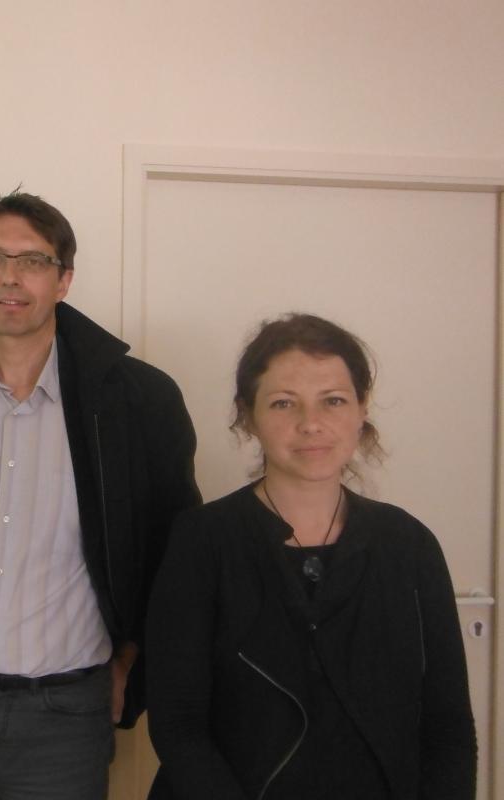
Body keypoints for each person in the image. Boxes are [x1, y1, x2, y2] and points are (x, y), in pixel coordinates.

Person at [0, 190, 200, 798]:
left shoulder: (136, 401)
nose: (10, 277)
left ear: (64, 280)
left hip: (66, 716)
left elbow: (176, 559)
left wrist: (134, 664)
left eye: (34, 261)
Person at [144, 312, 477, 799]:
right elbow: (178, 725)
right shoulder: (202, 540)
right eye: (283, 403)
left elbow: (448, 727)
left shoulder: (409, 545)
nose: (311, 424)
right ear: (248, 414)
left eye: (333, 400)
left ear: (362, 409)